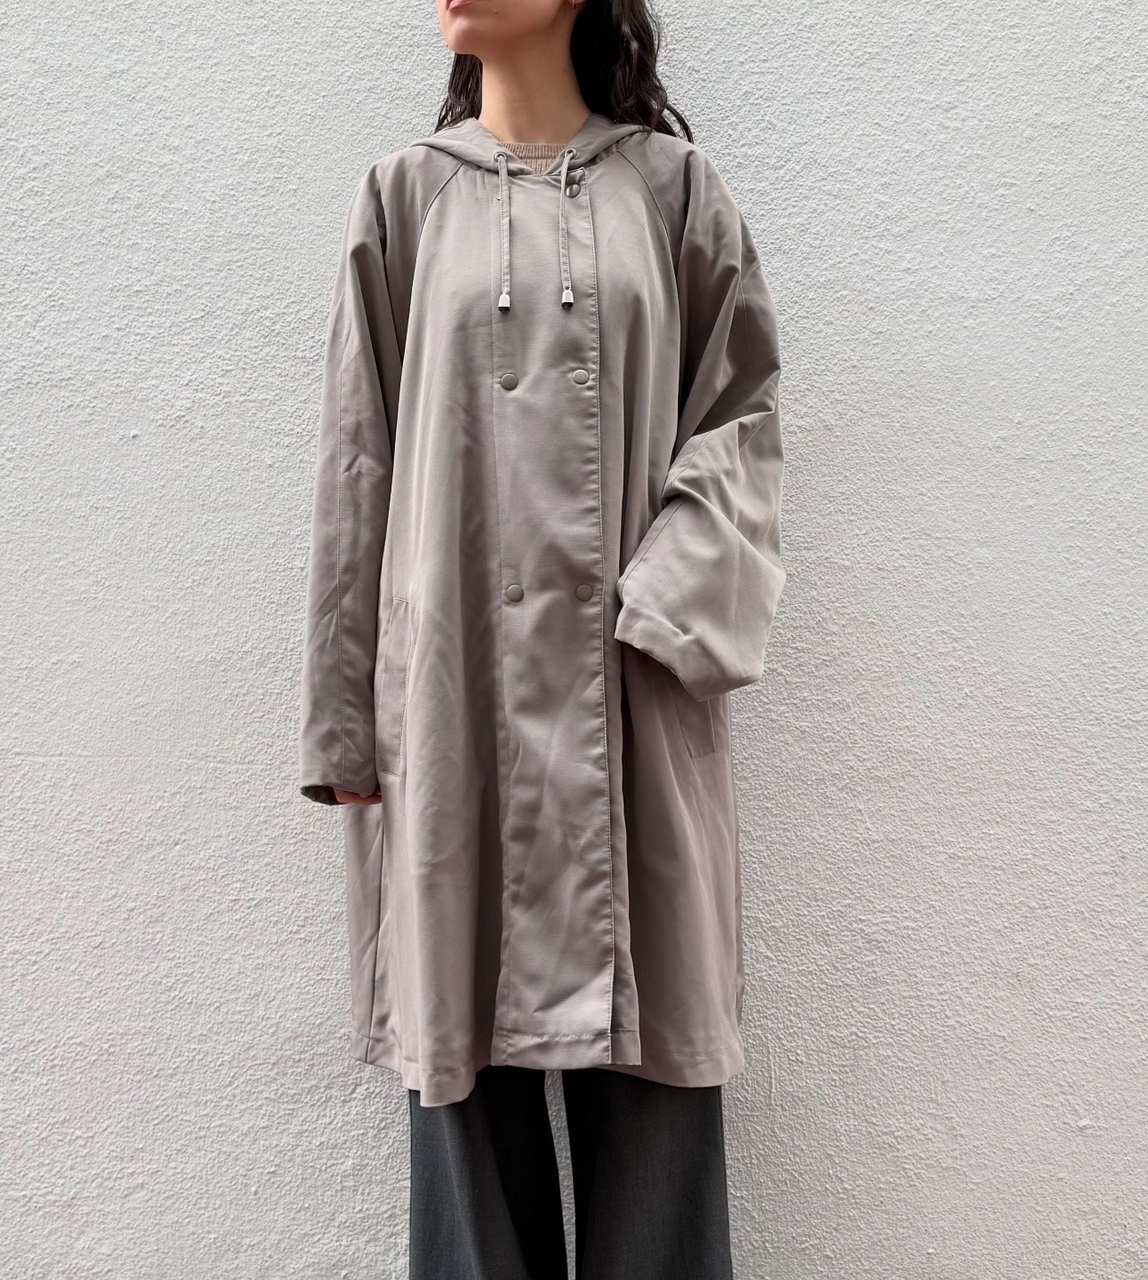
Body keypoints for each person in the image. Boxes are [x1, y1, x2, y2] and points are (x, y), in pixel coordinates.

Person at [297, 0, 786, 1273]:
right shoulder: (402, 201)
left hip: (633, 716)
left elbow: (741, 421)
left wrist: (663, 607)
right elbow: (355, 463)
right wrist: (343, 723)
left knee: (659, 1113)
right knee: (466, 1118)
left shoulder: (674, 194)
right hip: (450, 717)